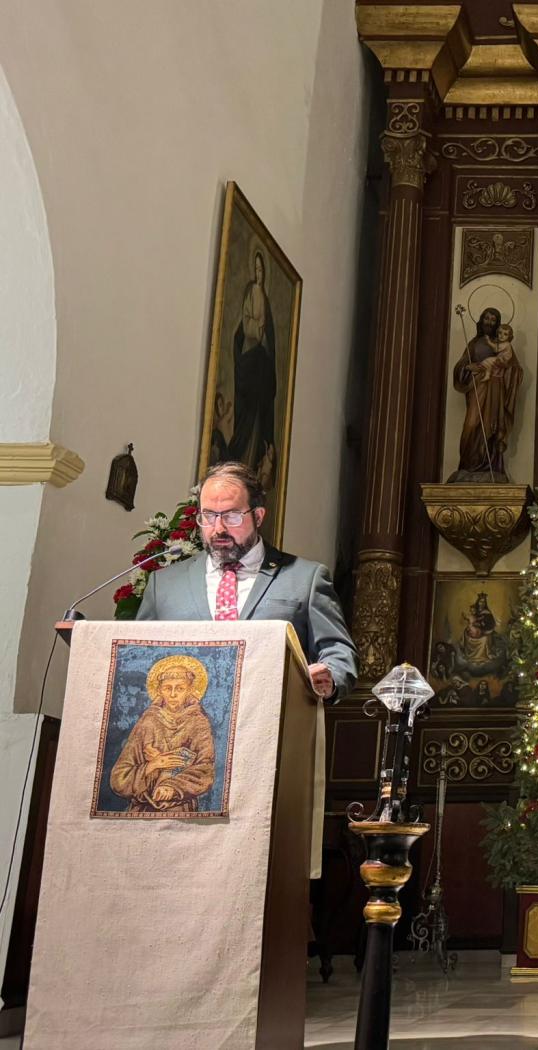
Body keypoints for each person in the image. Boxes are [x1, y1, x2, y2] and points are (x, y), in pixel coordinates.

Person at [136, 461, 357, 702]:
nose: (218, 528)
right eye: (208, 516)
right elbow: (136, 658)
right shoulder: (163, 585)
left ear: (258, 516)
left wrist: (330, 678)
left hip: (271, 720)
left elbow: (339, 652)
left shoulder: (305, 579)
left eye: (231, 516)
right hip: (182, 729)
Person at [110, 654, 216, 814]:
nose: (173, 694)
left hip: (180, 808)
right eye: (168, 688)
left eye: (180, 688)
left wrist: (172, 787)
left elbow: (205, 770)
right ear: (159, 690)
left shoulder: (198, 723)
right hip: (142, 808)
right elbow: (118, 778)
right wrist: (154, 764)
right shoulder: (148, 721)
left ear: (189, 691)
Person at [453, 309, 524, 480]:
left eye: (493, 320)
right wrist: (468, 368)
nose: (489, 322)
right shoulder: (474, 344)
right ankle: (468, 465)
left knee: (490, 427)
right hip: (477, 389)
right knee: (471, 424)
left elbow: (516, 370)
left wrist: (503, 369)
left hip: (495, 391)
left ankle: (490, 466)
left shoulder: (503, 345)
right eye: (487, 318)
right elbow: (461, 366)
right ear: (481, 320)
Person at [228, 249, 278, 490]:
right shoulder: (251, 292)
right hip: (250, 357)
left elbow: (269, 336)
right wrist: (255, 330)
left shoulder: (265, 301)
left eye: (261, 270)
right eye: (255, 269)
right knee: (246, 419)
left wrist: (261, 332)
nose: (258, 273)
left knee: (258, 421)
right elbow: (248, 324)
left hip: (260, 364)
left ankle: (248, 472)